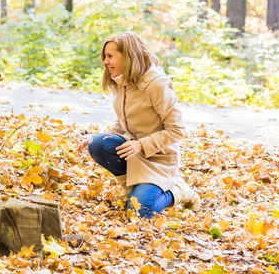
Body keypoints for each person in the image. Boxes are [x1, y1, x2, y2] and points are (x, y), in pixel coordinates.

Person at [78, 32, 200, 218]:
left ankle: (180, 191)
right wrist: (98, 137)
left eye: (110, 56)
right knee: (98, 143)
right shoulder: (121, 81)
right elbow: (123, 122)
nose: (105, 62)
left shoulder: (157, 84)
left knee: (140, 212)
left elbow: (177, 130)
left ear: (127, 56)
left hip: (159, 160)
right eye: (105, 56)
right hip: (133, 154)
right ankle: (132, 186)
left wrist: (141, 144)